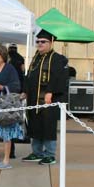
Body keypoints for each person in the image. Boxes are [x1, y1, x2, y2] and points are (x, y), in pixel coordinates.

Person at [23, 30, 68, 166]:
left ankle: (49, 154)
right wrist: (25, 91)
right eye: (38, 41)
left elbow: (59, 78)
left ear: (51, 42)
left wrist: (50, 92)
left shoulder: (58, 59)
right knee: (35, 125)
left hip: (49, 100)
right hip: (33, 99)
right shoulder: (36, 58)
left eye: (43, 41)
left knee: (48, 126)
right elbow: (29, 76)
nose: (40, 44)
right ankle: (37, 152)